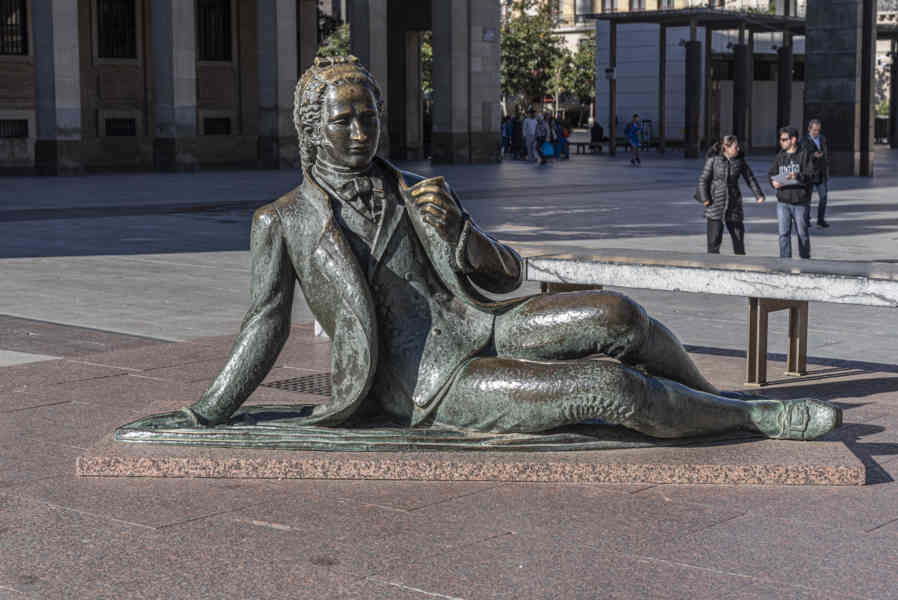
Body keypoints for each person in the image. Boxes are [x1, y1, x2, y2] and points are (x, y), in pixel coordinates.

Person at [150, 56, 840, 442]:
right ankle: (752, 416)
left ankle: (709, 401)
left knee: (618, 317)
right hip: (427, 382)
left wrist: (460, 233)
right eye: (344, 120)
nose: (362, 132)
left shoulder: (420, 189)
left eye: (371, 117)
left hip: (488, 324)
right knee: (605, 386)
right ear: (312, 128)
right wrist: (207, 410)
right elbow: (265, 324)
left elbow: (506, 272)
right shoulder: (283, 222)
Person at [697, 135, 765, 255]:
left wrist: (758, 194)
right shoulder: (713, 160)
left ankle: (741, 265)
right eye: (735, 147)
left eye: (738, 146)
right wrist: (705, 199)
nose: (738, 149)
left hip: (734, 205)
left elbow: (750, 178)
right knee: (713, 243)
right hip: (715, 204)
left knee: (738, 240)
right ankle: (712, 266)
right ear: (726, 148)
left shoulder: (740, 161)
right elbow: (704, 180)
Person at [769, 126, 816, 259]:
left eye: (784, 139)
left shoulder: (804, 154)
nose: (781, 142)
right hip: (783, 202)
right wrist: (773, 182)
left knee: (802, 234)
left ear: (793, 140)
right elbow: (771, 173)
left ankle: (805, 261)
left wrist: (797, 176)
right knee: (783, 234)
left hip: (800, 202)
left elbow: (811, 175)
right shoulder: (780, 156)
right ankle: (785, 261)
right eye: (780, 139)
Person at [800, 118, 830, 228]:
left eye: (818, 130)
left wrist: (826, 164)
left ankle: (820, 219)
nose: (816, 132)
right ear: (809, 129)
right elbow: (802, 156)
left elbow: (826, 153)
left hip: (821, 174)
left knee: (823, 197)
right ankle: (806, 219)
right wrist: (813, 156)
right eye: (814, 130)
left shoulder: (822, 139)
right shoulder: (804, 141)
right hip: (810, 173)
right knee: (807, 199)